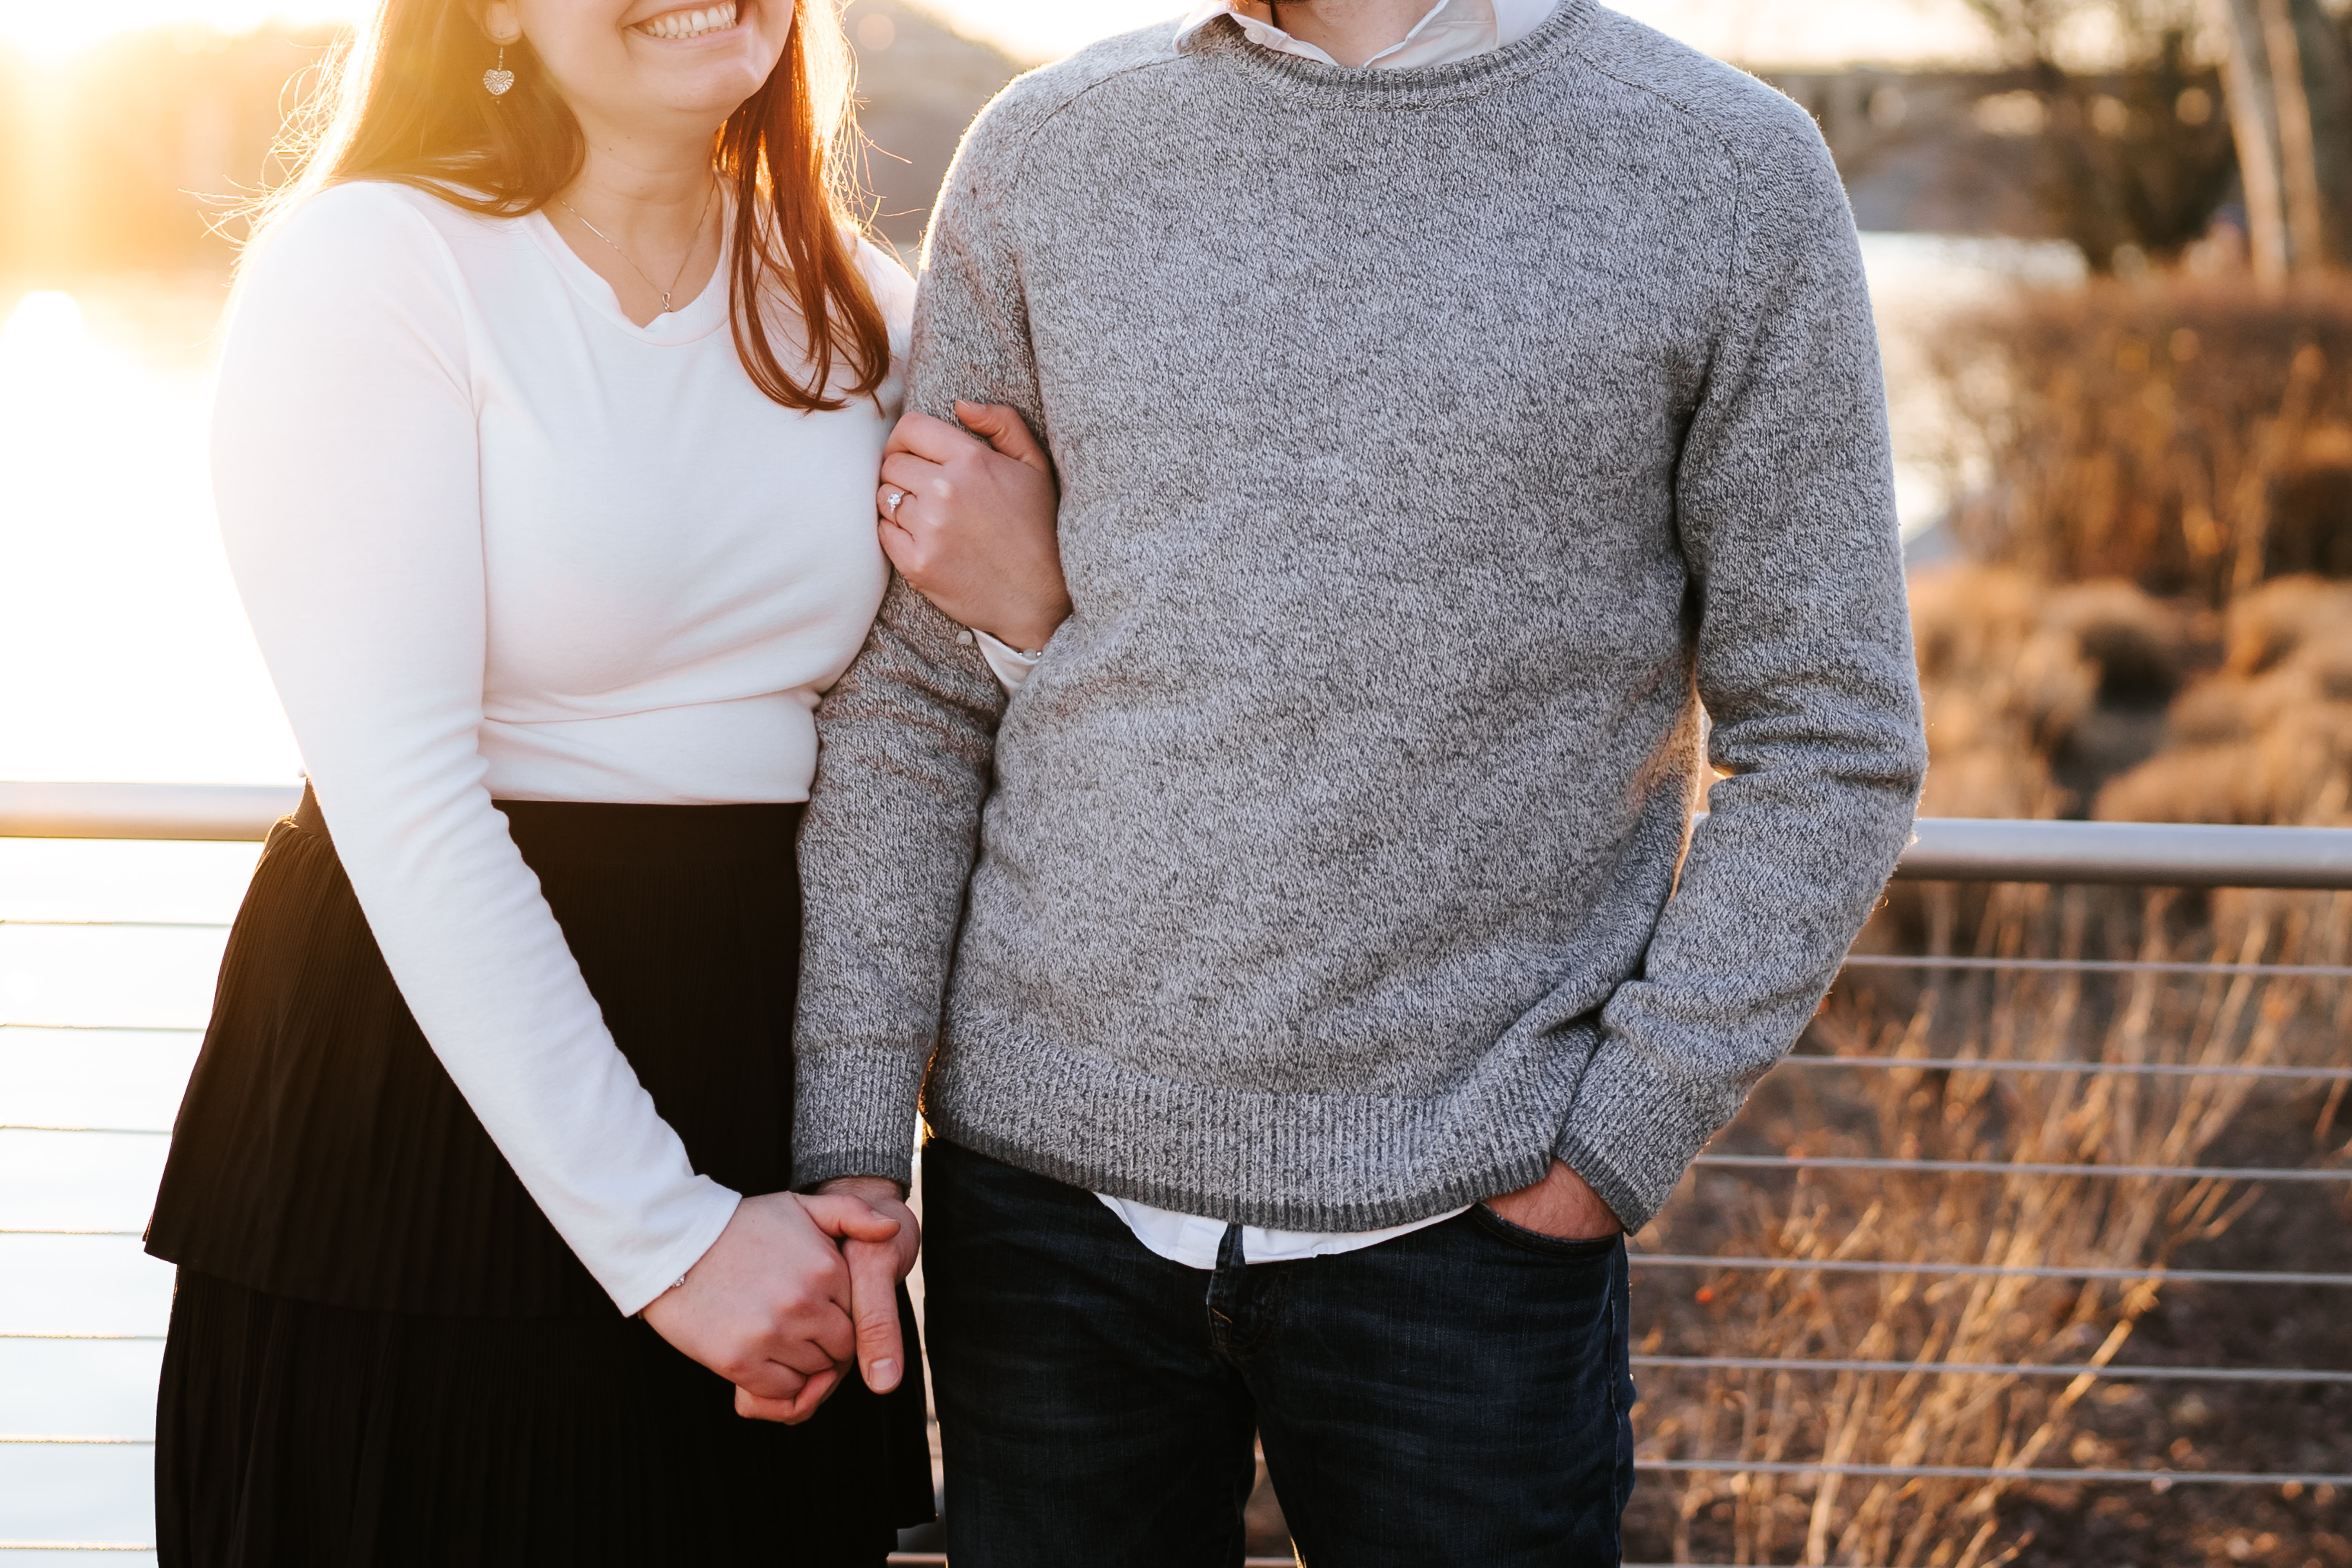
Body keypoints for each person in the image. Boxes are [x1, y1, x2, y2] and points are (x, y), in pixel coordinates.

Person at [792, 0, 1932, 1562]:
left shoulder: (1728, 172)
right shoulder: (1052, 150)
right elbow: (920, 701)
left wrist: (1613, 1143)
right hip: (1044, 1222)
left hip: (1472, 1239)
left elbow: (1830, 735)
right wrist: (853, 1140)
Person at [142, 0, 1062, 1561]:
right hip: (433, 1114)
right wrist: (670, 1241)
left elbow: (962, 735)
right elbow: (405, 789)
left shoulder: (862, 313)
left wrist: (1034, 616)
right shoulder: (374, 265)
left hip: (764, 1093)